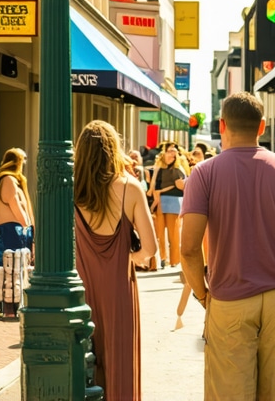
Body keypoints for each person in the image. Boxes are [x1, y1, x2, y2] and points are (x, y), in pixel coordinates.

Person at [180, 92, 275, 401]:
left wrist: (204, 297)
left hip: (230, 298)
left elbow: (189, 249)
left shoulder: (204, 174)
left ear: (221, 125)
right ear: (262, 127)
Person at [73, 120, 157, 400]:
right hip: (119, 288)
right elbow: (150, 249)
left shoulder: (70, 190)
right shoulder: (130, 188)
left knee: (86, 361)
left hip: (81, 289)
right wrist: (128, 257)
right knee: (120, 361)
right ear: (113, 148)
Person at [0, 148, 35, 317]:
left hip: (15, 232)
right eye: (22, 161)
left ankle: (12, 309)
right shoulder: (8, 180)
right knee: (10, 271)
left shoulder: (11, 181)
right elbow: (19, 211)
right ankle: (8, 311)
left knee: (17, 271)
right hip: (9, 232)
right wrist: (29, 227)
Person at [147, 142, 186, 269]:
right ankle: (163, 258)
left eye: (174, 152)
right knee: (159, 232)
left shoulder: (178, 169)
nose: (172, 154)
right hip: (160, 201)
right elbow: (153, 185)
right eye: (169, 151)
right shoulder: (158, 168)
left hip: (173, 200)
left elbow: (181, 184)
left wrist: (160, 191)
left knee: (173, 233)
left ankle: (174, 260)